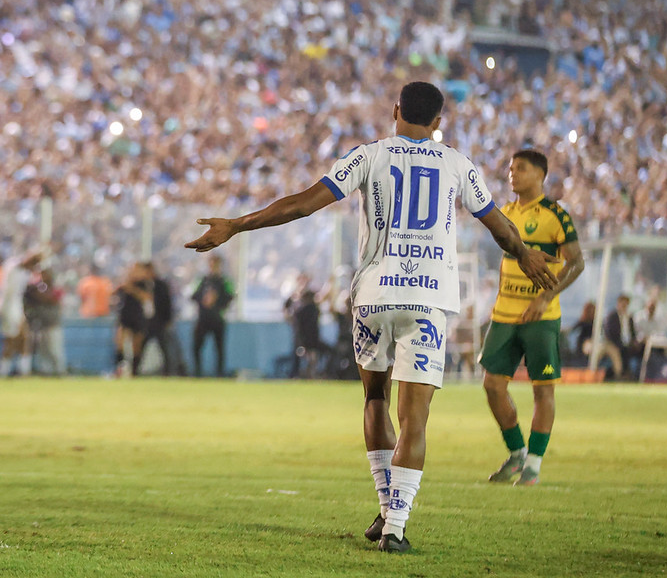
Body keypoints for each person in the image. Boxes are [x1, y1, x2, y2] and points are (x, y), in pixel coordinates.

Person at [185, 82, 558, 553]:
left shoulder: (368, 155)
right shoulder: (457, 163)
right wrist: (524, 253)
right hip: (428, 300)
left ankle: (385, 508)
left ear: (396, 109)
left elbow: (303, 204)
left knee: (376, 398)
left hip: (374, 297)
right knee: (415, 415)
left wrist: (237, 225)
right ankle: (395, 526)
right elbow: (498, 225)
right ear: (438, 123)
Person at [479, 149, 584, 487]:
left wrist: (546, 297)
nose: (513, 174)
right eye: (511, 168)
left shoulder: (555, 215)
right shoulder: (505, 213)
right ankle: (517, 453)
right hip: (504, 314)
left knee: (543, 390)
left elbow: (576, 262)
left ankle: (534, 466)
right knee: (492, 386)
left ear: (540, 174)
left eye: (521, 168)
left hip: (541, 317)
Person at [190, 254, 235, 377]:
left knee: (219, 347)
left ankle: (219, 372)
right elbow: (193, 296)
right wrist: (204, 300)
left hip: (218, 318)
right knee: (197, 346)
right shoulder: (202, 280)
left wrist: (217, 301)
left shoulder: (224, 281)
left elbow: (230, 297)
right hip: (203, 318)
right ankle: (197, 371)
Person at [0, 250, 42, 377]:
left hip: (16, 306)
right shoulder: (13, 266)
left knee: (21, 338)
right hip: (8, 306)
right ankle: (15, 369)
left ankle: (19, 369)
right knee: (14, 339)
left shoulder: (25, 272)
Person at [23, 267, 67, 376]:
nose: (44, 277)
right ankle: (46, 372)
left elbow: (51, 299)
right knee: (43, 351)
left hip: (53, 324)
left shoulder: (55, 289)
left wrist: (34, 293)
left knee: (55, 350)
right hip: (41, 324)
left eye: (45, 275)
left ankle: (60, 371)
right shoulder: (40, 288)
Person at [113, 262, 152, 377]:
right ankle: (119, 369)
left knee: (136, 345)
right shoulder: (125, 284)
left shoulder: (144, 284)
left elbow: (147, 298)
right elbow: (115, 294)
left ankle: (135, 371)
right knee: (120, 342)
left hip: (137, 316)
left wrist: (132, 290)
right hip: (125, 315)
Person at [602, 294, 638, 380]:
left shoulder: (629, 317)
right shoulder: (612, 316)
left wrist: (634, 342)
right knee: (622, 350)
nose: (624, 306)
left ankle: (633, 373)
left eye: (626, 304)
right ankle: (620, 374)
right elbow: (609, 333)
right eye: (623, 304)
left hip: (628, 343)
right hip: (615, 343)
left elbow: (633, 333)